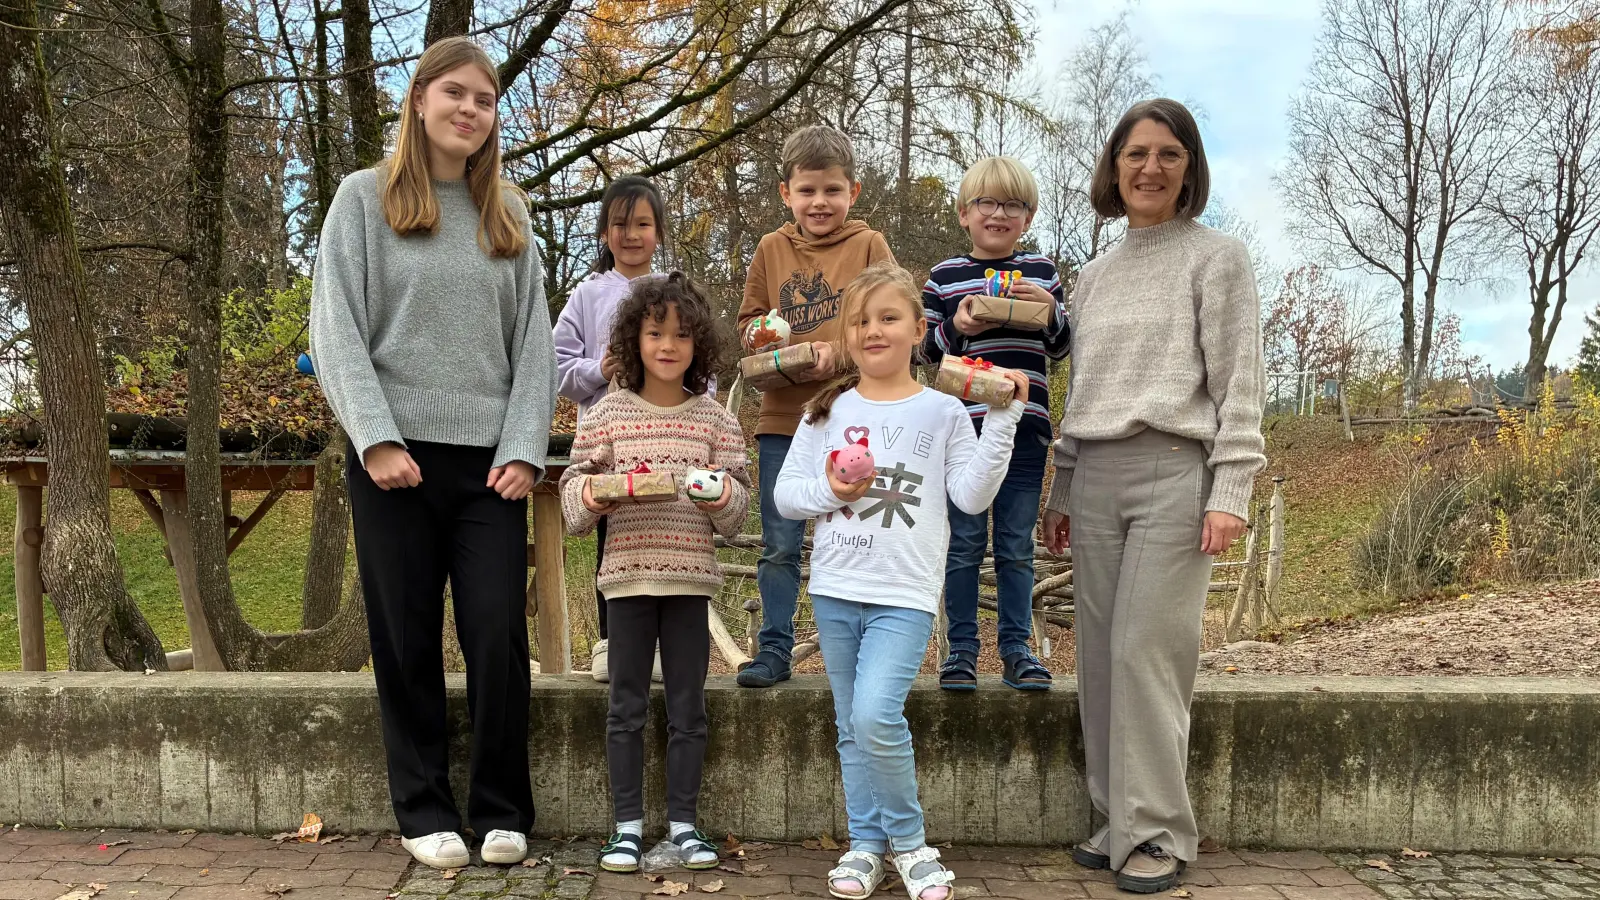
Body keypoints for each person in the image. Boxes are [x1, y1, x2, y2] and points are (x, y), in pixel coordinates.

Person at [309, 36, 555, 869]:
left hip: (492, 469)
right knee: (406, 637)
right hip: (393, 462)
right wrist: (374, 436)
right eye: (454, 93)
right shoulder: (363, 199)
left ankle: (501, 809)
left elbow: (535, 346)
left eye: (484, 101)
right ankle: (423, 809)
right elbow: (335, 327)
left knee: (494, 634)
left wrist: (526, 447)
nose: (469, 111)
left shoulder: (508, 213)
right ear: (419, 100)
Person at [1040, 98, 1266, 894]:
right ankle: (1117, 822)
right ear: (1113, 166)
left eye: (1168, 154)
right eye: (1136, 153)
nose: (1150, 167)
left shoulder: (1219, 258)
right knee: (1099, 658)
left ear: (1189, 168)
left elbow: (1240, 382)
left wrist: (1230, 487)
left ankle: (1162, 832)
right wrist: (1062, 486)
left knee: (1148, 653)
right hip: (1095, 473)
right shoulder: (1092, 278)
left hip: (1177, 470)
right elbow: (1085, 389)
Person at [774, 263, 1028, 900]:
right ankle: (865, 845)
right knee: (849, 722)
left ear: (920, 328)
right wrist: (829, 489)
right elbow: (785, 497)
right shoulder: (824, 410)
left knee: (876, 714)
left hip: (905, 594)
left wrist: (1002, 418)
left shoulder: (944, 411)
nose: (873, 330)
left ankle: (910, 844)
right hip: (836, 588)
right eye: (860, 321)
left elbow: (970, 497)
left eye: (888, 317)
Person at [558, 273, 751, 876]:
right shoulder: (606, 414)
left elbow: (738, 514)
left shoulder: (715, 420)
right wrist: (601, 494)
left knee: (689, 707)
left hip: (691, 584)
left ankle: (686, 826)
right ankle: (626, 829)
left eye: (682, 335)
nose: (668, 345)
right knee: (625, 707)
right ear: (633, 340)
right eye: (655, 332)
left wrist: (718, 494)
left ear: (699, 347)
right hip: (626, 582)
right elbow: (571, 505)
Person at [735, 124, 896, 689]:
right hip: (783, 418)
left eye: (831, 190)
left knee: (854, 534)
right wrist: (766, 339)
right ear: (786, 194)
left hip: (854, 415)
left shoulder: (870, 246)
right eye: (807, 191)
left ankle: (853, 656)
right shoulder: (771, 250)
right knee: (780, 540)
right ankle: (774, 648)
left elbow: (893, 317)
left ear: (853, 192)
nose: (819, 202)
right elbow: (748, 326)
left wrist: (844, 349)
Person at [554, 175, 711, 684]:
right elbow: (557, 369)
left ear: (659, 231)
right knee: (613, 537)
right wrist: (599, 370)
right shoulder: (586, 295)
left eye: (642, 223)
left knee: (671, 534)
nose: (631, 234)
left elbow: (700, 363)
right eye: (619, 224)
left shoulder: (675, 291)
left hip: (673, 440)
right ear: (603, 232)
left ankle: (670, 645)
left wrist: (702, 413)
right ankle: (611, 642)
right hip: (612, 443)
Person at [921, 156, 1068, 692]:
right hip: (961, 431)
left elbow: (1062, 345)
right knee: (962, 544)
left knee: (1013, 545)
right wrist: (957, 326)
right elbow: (924, 353)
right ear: (965, 213)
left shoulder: (1042, 272)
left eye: (1013, 205)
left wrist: (1049, 310)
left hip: (1024, 430)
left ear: (1026, 218)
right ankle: (960, 651)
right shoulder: (944, 277)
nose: (999, 213)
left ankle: (1017, 650)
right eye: (987, 202)